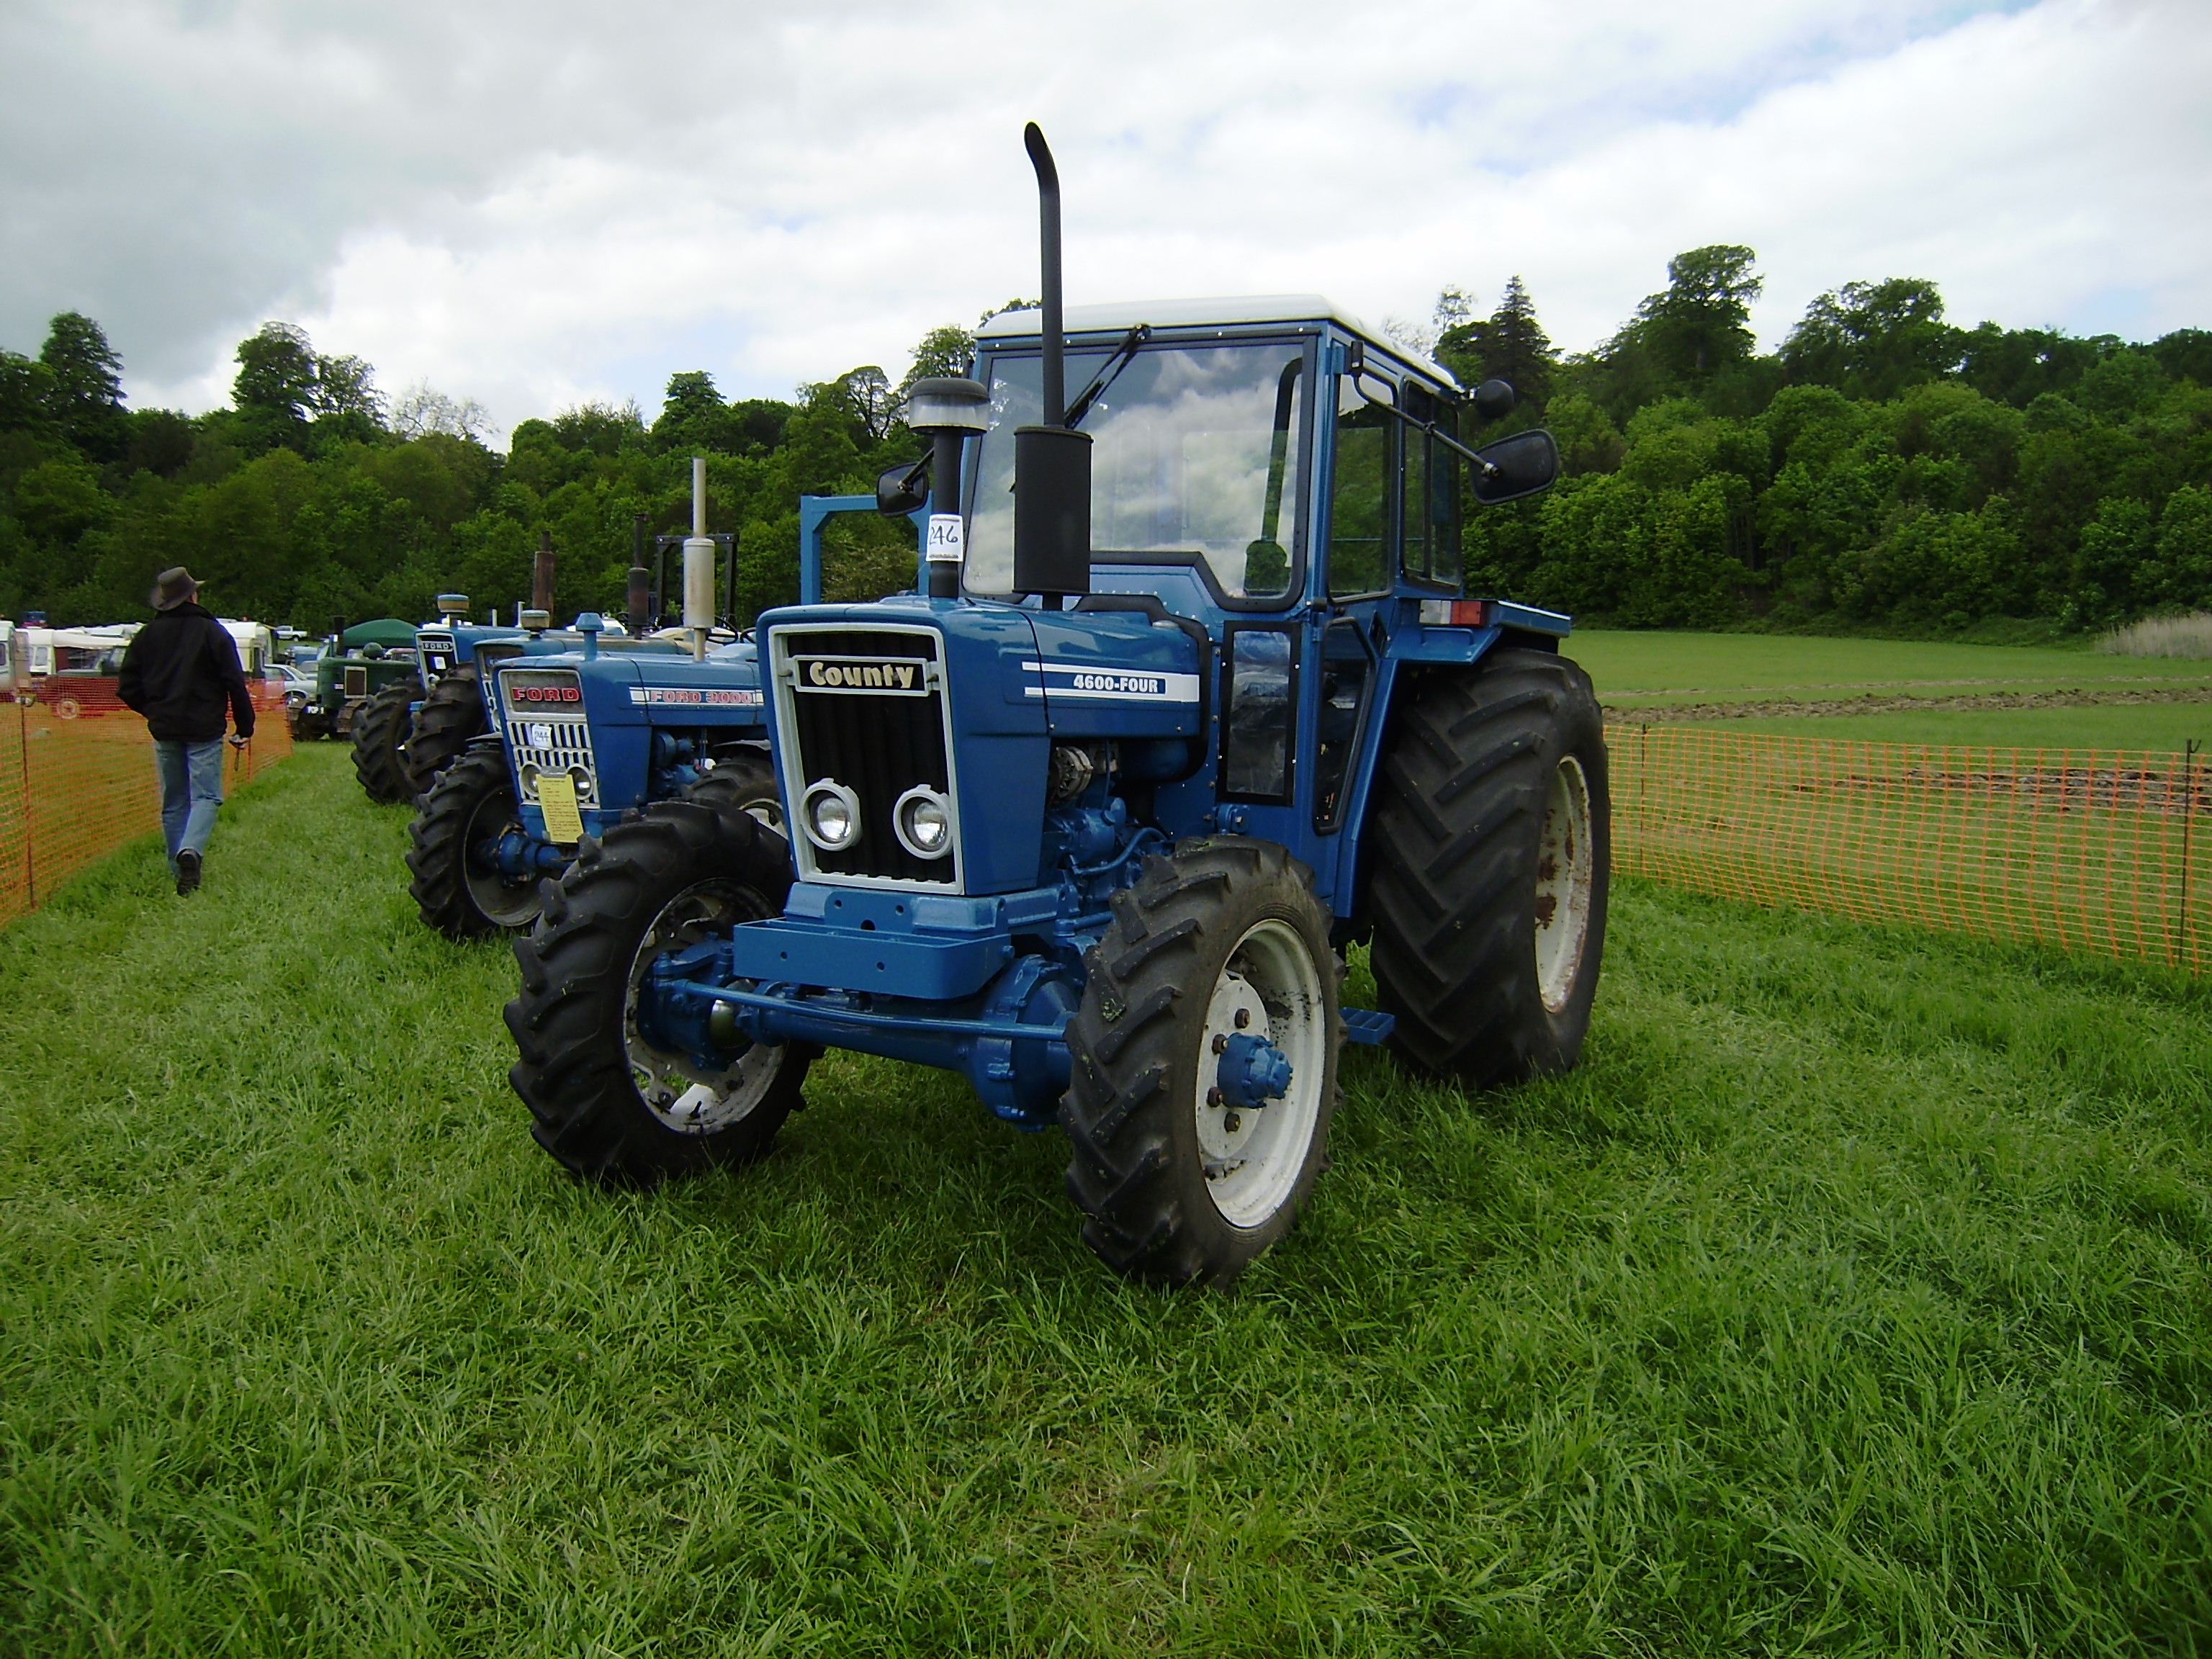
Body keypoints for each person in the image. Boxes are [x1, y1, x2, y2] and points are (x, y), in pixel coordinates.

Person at [117, 567, 255, 895]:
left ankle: (176, 868)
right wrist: (245, 725)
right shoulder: (213, 632)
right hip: (204, 729)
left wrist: (153, 711)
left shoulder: (147, 636)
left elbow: (127, 687)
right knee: (206, 796)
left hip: (165, 729)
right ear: (193, 596)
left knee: (174, 801)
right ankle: (190, 851)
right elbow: (234, 683)